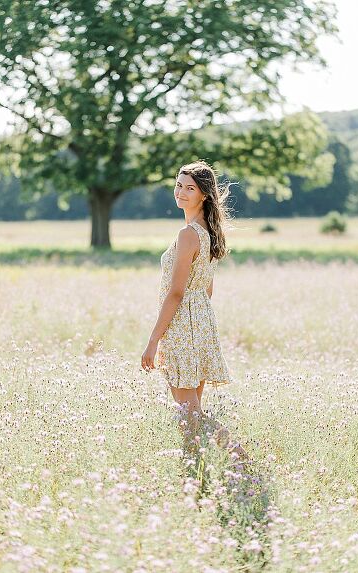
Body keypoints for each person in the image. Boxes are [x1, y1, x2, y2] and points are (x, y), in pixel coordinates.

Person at [140, 160, 248, 464]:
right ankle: (195, 473)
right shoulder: (208, 233)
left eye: (190, 188)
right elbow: (207, 288)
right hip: (201, 321)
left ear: (204, 195)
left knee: (189, 411)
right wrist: (195, 314)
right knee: (191, 414)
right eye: (178, 185)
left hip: (183, 325)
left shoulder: (188, 234)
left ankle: (243, 461)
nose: (181, 192)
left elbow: (176, 292)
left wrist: (153, 341)